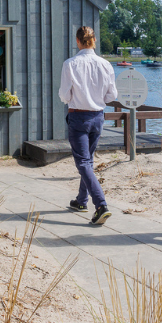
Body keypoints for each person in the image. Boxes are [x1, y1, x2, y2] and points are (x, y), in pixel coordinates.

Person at [59, 26, 118, 226]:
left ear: (77, 41)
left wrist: (76, 96)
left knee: (83, 162)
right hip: (98, 117)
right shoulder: (106, 65)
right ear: (94, 41)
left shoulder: (70, 64)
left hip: (79, 117)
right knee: (88, 161)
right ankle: (81, 200)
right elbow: (112, 96)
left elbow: (64, 95)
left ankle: (101, 205)